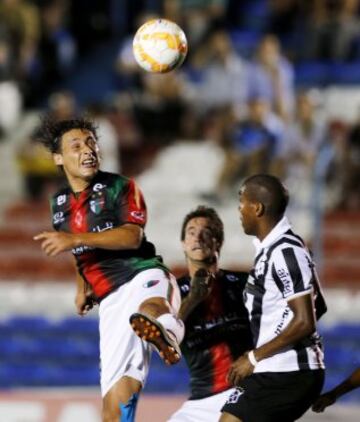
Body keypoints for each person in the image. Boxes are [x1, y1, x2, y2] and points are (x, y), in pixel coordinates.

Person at [33, 117, 185, 422]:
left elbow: (132, 236)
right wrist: (82, 286)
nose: (88, 150)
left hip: (143, 274)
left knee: (150, 308)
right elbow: (80, 252)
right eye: (76, 145)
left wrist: (73, 238)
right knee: (113, 413)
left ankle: (169, 332)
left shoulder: (120, 186)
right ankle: (161, 331)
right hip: (111, 301)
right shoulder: (59, 202)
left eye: (91, 142)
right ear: (58, 158)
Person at [220, 174, 327, 422]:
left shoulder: (285, 251)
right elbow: (317, 305)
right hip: (278, 367)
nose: (239, 209)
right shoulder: (276, 249)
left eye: (242, 201)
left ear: (257, 208)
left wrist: (256, 356)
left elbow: (305, 320)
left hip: (288, 372)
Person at [168, 205, 253, 422]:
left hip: (245, 393)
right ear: (183, 244)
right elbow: (164, 337)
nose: (198, 237)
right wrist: (194, 297)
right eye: (191, 232)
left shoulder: (245, 284)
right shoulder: (173, 292)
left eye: (206, 232)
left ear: (218, 242)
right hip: (201, 401)